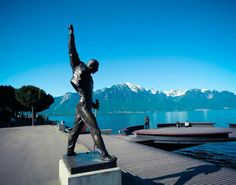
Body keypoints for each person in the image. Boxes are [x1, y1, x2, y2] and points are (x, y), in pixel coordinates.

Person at [67, 24, 115, 162]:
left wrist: (94, 104)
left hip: (84, 105)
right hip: (82, 106)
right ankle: (104, 155)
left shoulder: (90, 79)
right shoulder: (78, 66)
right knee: (95, 130)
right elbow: (72, 50)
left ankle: (70, 151)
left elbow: (87, 95)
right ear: (92, 65)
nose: (98, 70)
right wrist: (71, 34)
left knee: (75, 131)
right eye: (98, 67)